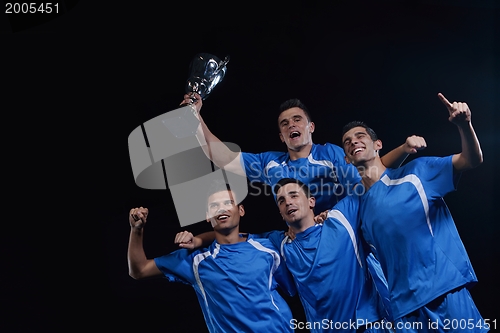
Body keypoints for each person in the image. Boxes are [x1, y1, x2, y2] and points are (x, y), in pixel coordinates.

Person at [340, 93, 488, 332]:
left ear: (378, 145)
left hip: (444, 291)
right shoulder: (360, 211)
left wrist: (465, 125)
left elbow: (471, 160)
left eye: (360, 136)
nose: (353, 142)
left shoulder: (417, 172)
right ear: (346, 159)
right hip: (405, 312)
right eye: (347, 141)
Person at [179, 177, 393, 333]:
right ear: (280, 212)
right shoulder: (277, 243)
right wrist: (199, 240)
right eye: (281, 201)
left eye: (293, 195)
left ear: (311, 201)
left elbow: (373, 180)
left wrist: (404, 149)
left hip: (370, 324)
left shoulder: (340, 218)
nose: (288, 202)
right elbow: (230, 233)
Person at [182, 93, 426, 218]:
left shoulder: (331, 153)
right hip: (303, 242)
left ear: (311, 127)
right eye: (285, 124)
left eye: (297, 120)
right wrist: (195, 117)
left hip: (343, 233)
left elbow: (369, 176)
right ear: (281, 136)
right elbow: (221, 155)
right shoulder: (269, 163)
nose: (291, 125)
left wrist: (404, 149)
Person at [127, 179, 297, 333]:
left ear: (241, 210)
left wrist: (321, 219)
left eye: (228, 203)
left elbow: (294, 285)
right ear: (208, 216)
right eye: (214, 206)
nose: (221, 208)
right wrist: (137, 230)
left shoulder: (269, 245)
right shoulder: (196, 261)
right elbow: (139, 270)